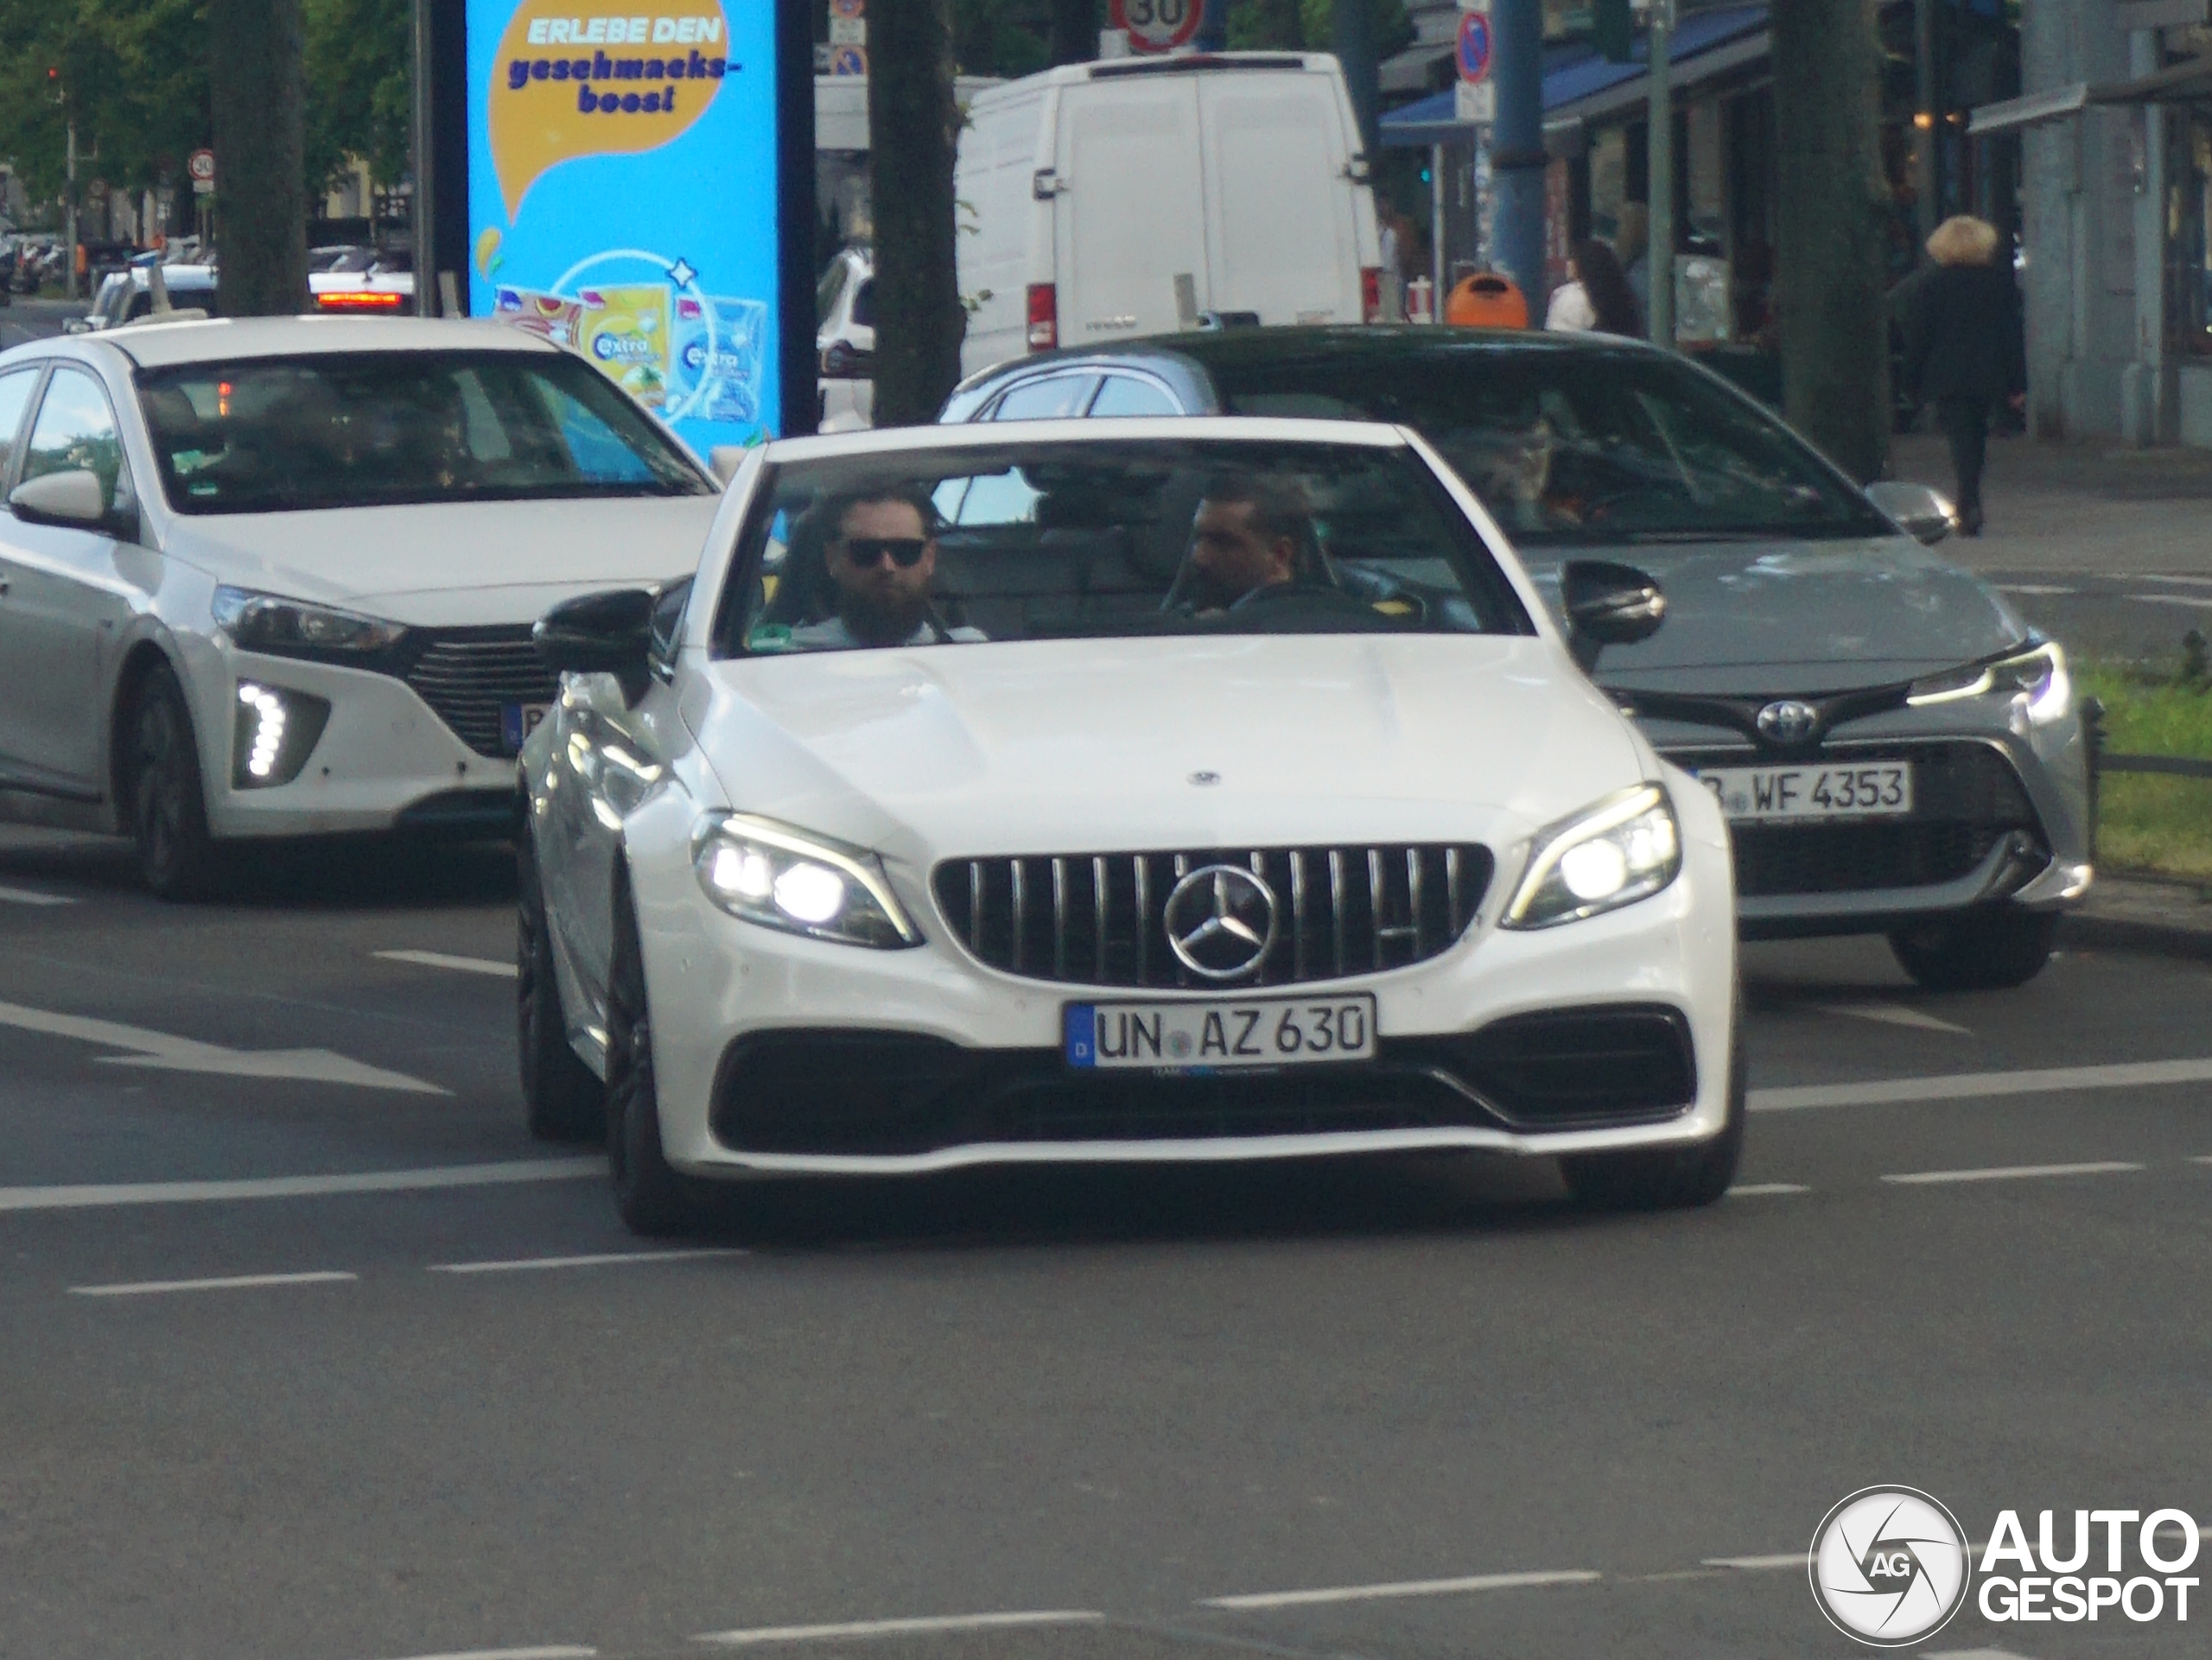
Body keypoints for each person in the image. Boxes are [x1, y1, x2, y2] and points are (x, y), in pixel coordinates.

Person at [1904, 214, 2026, 537]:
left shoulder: (1932, 285)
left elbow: (1921, 336)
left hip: (1947, 372)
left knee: (1960, 435)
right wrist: (2017, 382)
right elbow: (2011, 335)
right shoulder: (1998, 285)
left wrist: (1911, 379)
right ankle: (1969, 498)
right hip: (1988, 371)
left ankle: (1966, 500)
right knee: (1977, 435)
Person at [786, 488, 984, 649]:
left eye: (905, 551)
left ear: (929, 557)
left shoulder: (975, 651)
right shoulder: (787, 656)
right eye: (866, 551)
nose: (887, 566)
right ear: (832, 559)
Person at [1167, 473, 1327, 612]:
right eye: (1198, 538)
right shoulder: (1176, 625)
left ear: (1280, 555)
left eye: (1223, 542)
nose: (1198, 557)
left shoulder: (1322, 628)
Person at [1545, 239, 1642, 338]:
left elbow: (1560, 339)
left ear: (1579, 264)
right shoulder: (1621, 297)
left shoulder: (1571, 298)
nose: (1567, 264)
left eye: (1571, 259)